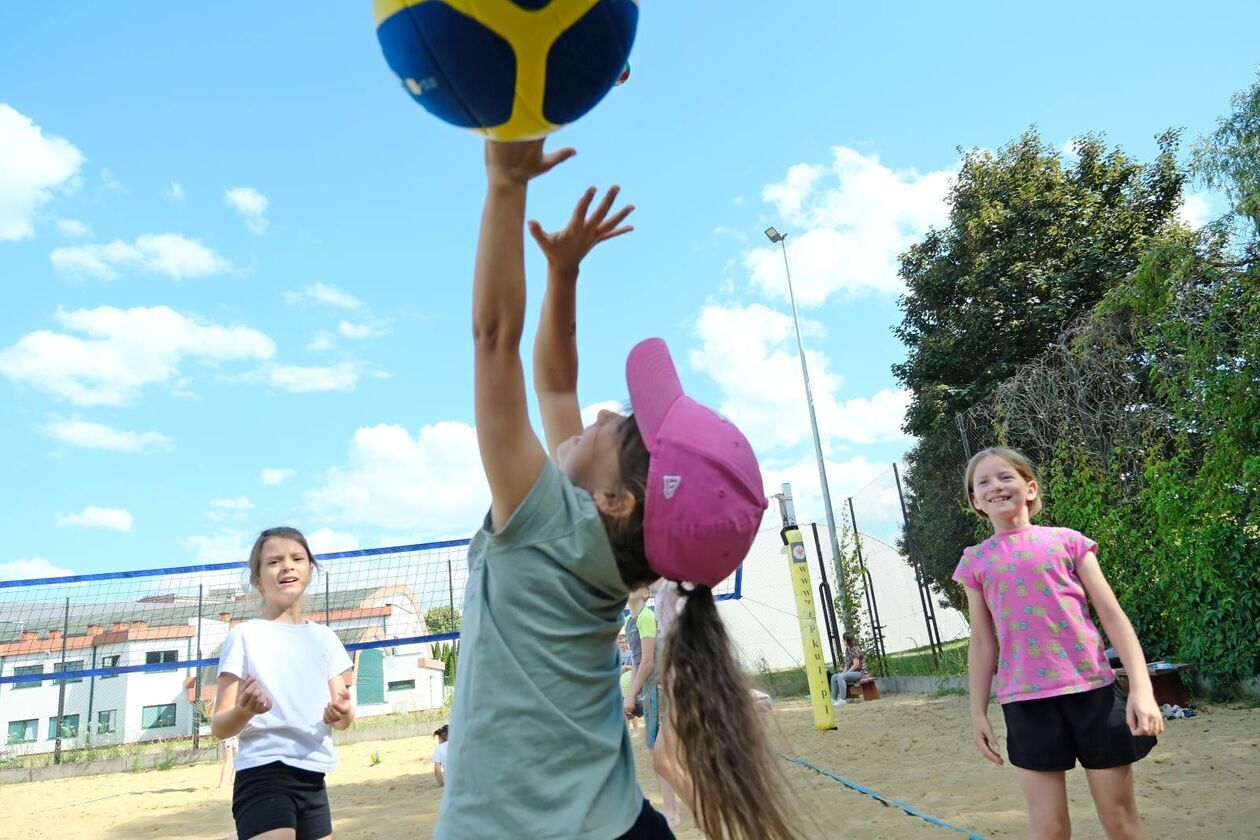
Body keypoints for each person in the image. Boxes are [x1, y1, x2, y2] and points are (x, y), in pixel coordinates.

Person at [436, 138, 796, 840]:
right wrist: (563, 274)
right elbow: (556, 382)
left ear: (619, 500)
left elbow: (493, 341)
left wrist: (505, 182)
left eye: (620, 425)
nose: (601, 414)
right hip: (621, 826)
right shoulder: (590, 540)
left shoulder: (546, 521)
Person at [955, 447, 1163, 840]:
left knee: (1119, 821)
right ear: (975, 500)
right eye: (983, 482)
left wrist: (1142, 689)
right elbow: (983, 642)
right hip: (1025, 704)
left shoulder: (1068, 542)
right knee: (1048, 828)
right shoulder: (975, 560)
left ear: (1030, 488)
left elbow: (1113, 616)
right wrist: (978, 713)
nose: (995, 486)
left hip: (1094, 694)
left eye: (1006, 477)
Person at [212, 527, 355, 840]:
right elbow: (220, 726)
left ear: (310, 570)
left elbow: (344, 719)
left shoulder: (325, 639)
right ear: (257, 580)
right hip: (263, 773)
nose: (287, 566)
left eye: (296, 558)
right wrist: (245, 711)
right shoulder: (244, 635)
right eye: (274, 561)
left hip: (314, 776)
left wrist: (341, 712)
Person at [623, 584, 678, 826]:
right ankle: (671, 809)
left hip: (658, 687)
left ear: (645, 593)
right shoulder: (630, 621)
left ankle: (671, 812)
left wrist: (631, 692)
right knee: (658, 751)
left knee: (661, 752)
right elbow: (637, 662)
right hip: (648, 689)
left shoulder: (646, 616)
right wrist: (632, 694)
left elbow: (648, 661)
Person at [829, 633, 866, 705]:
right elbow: (847, 665)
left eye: (843, 640)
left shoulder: (855, 649)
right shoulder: (847, 650)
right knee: (834, 677)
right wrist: (843, 672)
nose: (842, 641)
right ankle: (833, 699)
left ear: (847, 640)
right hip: (852, 673)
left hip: (861, 673)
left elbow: (856, 665)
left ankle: (843, 699)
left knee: (841, 676)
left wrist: (845, 674)